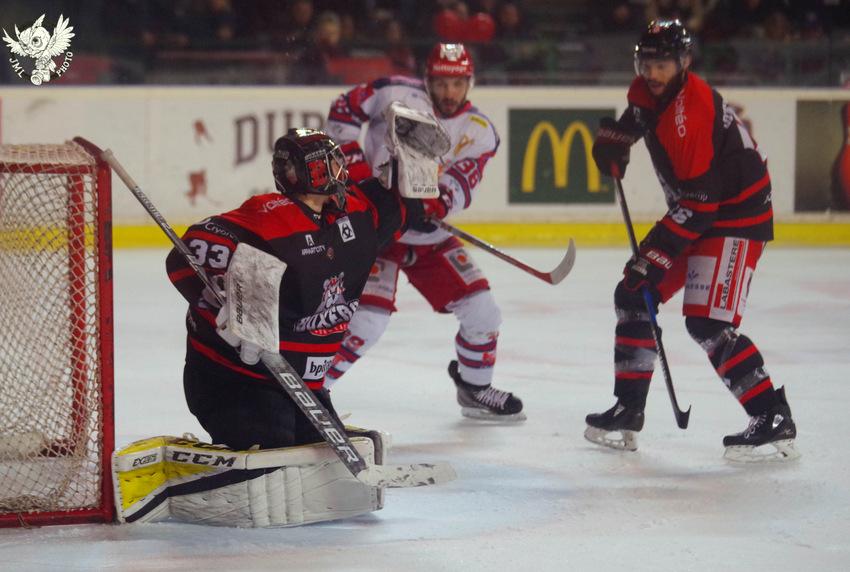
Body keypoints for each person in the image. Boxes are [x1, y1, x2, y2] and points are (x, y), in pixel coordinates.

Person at [586, 20, 798, 462]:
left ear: (683, 63)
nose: (653, 73)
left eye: (662, 64)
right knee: (634, 293)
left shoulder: (690, 114)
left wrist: (656, 254)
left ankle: (771, 414)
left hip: (735, 217)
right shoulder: (649, 92)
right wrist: (617, 140)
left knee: (708, 323)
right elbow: (638, 116)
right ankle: (629, 409)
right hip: (701, 209)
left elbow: (702, 205)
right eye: (646, 63)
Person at [166, 128, 426, 450]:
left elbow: (401, 206)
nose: (338, 170)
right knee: (275, 450)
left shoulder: (357, 213)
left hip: (302, 385)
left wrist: (413, 167)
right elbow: (188, 251)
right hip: (234, 379)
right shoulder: (270, 215)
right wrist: (228, 304)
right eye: (329, 164)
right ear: (310, 172)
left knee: (319, 458)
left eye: (336, 162)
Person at [324, 43, 524, 421]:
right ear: (427, 80)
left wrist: (436, 204)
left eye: (457, 84)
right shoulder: (394, 92)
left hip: (427, 238)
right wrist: (356, 170)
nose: (449, 92)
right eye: (442, 83)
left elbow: (463, 179)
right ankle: (310, 391)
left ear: (470, 83)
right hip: (376, 228)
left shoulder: (479, 130)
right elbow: (344, 109)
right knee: (367, 321)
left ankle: (475, 388)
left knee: (483, 312)